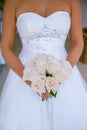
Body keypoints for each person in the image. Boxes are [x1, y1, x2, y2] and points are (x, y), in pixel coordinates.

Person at [0, 0, 87, 129]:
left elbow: (78, 42)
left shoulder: (72, 1)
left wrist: (59, 76)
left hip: (63, 73)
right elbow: (5, 47)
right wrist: (34, 82)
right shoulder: (12, 2)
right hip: (24, 74)